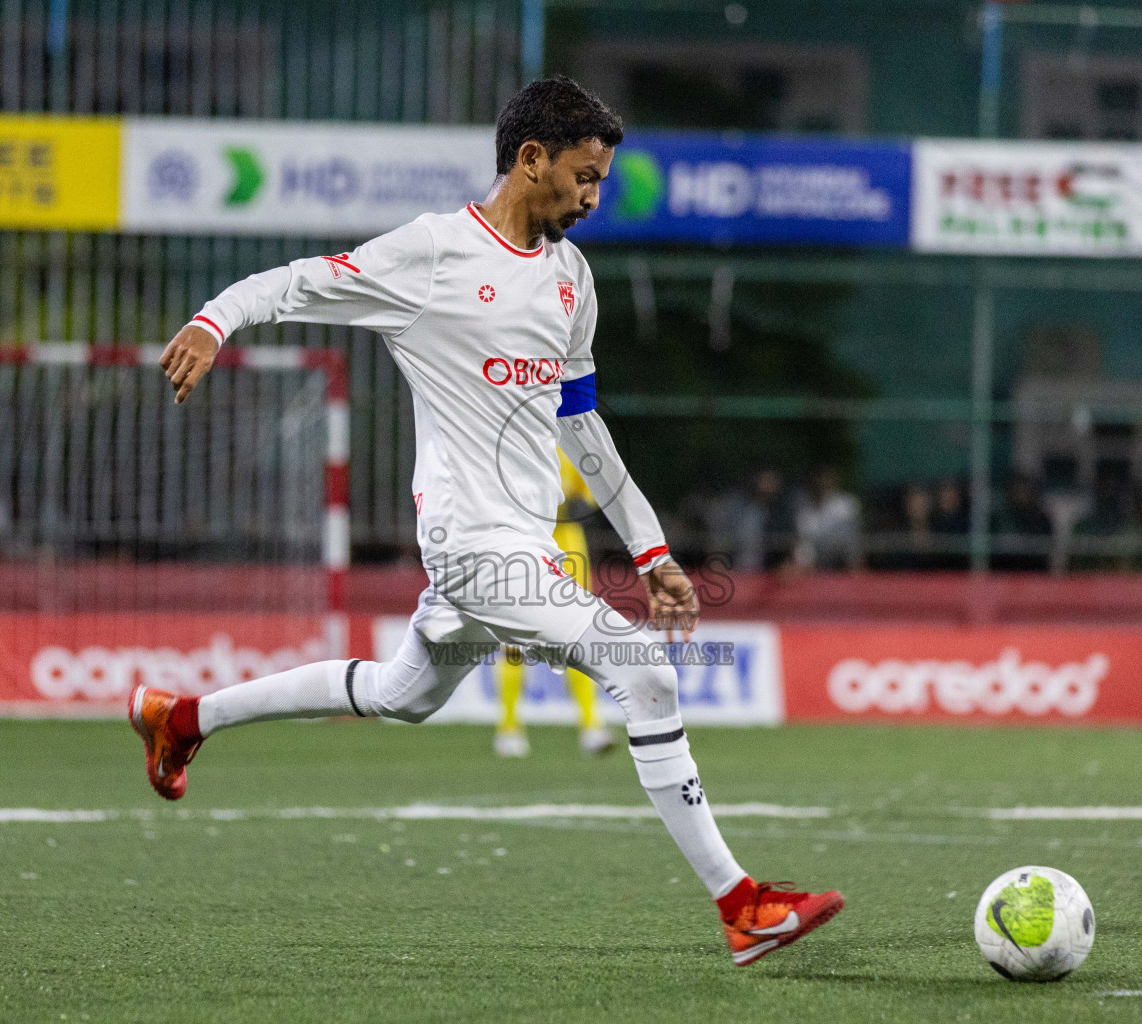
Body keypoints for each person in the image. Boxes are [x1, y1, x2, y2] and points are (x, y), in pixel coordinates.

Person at [129, 76, 841, 967]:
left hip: (523, 542)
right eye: (583, 176)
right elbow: (297, 282)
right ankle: (742, 907)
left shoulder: (572, 280)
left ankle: (183, 717)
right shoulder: (431, 255)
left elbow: (580, 426)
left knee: (403, 695)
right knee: (645, 676)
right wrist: (213, 320)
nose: (593, 197)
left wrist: (651, 547)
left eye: (602, 182)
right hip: (471, 544)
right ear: (529, 159)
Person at [493, 450, 616, 758]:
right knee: (514, 639)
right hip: (520, 540)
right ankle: (508, 727)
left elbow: (587, 493)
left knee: (578, 634)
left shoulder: (567, 438)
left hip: (566, 543)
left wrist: (579, 505)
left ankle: (591, 726)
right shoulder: (509, 436)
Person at [794, 466, 861, 570]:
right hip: (813, 562)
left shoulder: (847, 504)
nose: (823, 483)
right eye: (819, 479)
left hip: (843, 558)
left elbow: (850, 540)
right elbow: (804, 540)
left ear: (834, 481)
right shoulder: (803, 506)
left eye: (827, 479)